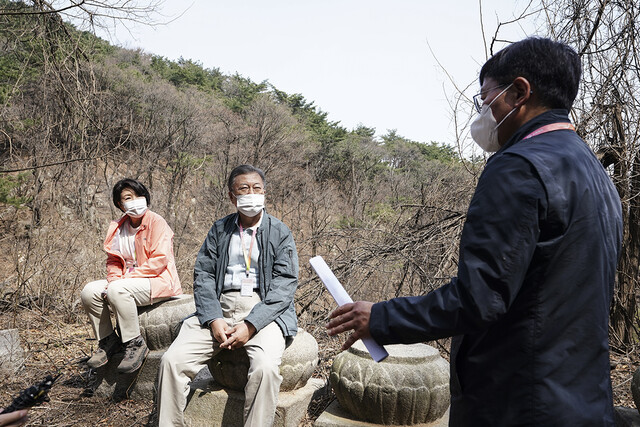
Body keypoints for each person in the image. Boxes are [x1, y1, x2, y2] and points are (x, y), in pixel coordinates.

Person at [326, 37, 622, 426]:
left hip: (516, 400)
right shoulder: (593, 172)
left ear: (519, 92)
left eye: (486, 99)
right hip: (580, 399)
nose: (482, 112)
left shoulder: (518, 167)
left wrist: (381, 318)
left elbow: (480, 297)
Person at [157, 164, 299, 427]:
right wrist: (212, 318)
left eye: (257, 188)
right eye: (244, 189)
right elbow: (204, 275)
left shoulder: (280, 232)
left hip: (262, 309)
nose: (251, 194)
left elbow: (285, 284)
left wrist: (251, 324)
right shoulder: (219, 230)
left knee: (266, 369)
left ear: (265, 193)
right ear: (233, 197)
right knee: (171, 361)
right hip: (220, 306)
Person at [81, 178, 182, 373]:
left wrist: (124, 281)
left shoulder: (156, 222)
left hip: (158, 280)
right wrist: (113, 280)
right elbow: (113, 261)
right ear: (120, 204)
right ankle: (108, 340)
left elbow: (160, 260)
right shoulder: (118, 228)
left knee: (118, 289)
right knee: (89, 291)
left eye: (139, 195)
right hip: (125, 282)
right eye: (128, 197)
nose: (135, 200)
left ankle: (134, 343)